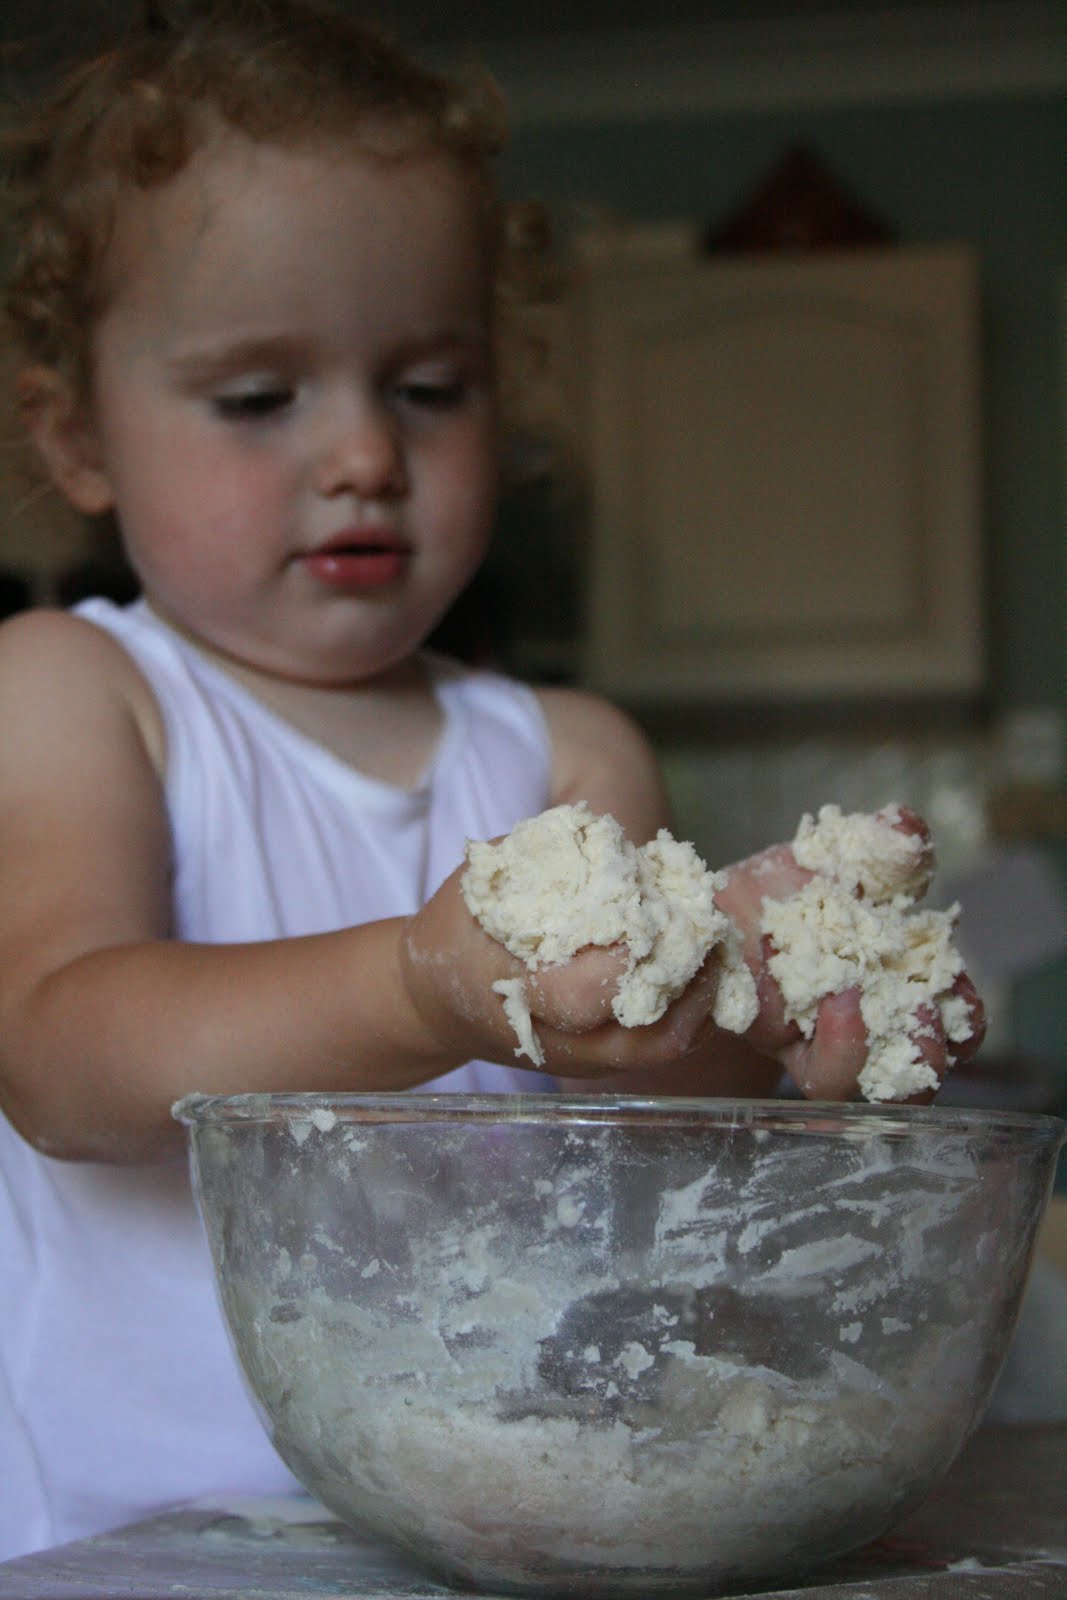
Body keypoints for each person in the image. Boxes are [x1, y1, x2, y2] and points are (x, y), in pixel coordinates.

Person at [0, 0, 985, 1563]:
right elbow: (58, 1059)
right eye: (261, 397)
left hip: (492, 1514)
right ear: (78, 437)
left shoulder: (565, 754)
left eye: (428, 387)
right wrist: (419, 988)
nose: (363, 457)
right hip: (131, 1531)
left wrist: (775, 1013)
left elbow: (657, 1121)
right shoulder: (75, 689)